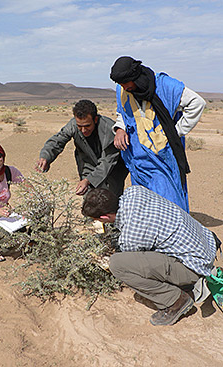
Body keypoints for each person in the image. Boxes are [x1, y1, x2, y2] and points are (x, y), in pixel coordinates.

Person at [82, 186, 219, 326]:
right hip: (206, 244)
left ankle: (176, 300)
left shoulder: (131, 235)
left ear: (105, 217)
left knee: (117, 264)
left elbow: (134, 259)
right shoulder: (135, 191)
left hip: (194, 267)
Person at [110, 56, 206, 212]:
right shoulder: (123, 89)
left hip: (162, 159)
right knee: (145, 205)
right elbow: (123, 112)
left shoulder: (164, 85)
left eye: (125, 83)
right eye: (120, 84)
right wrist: (120, 128)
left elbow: (197, 103)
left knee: (169, 204)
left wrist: (174, 132)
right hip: (138, 160)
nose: (123, 87)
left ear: (135, 76)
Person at [38, 99, 129, 197]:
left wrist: (88, 180)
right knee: (88, 197)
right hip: (88, 163)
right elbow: (58, 140)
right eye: (79, 126)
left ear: (95, 119)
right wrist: (46, 156)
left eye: (87, 126)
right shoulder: (73, 125)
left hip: (113, 168)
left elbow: (107, 162)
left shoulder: (109, 129)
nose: (83, 130)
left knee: (109, 199)